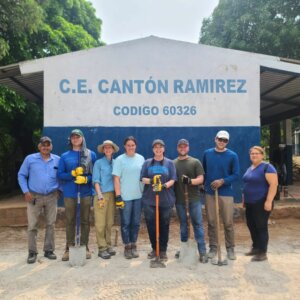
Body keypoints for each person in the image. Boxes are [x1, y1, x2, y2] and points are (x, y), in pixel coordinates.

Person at [18, 136, 60, 264]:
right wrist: (26, 191)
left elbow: (62, 175)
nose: (46, 147)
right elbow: (21, 175)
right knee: (32, 225)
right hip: (34, 196)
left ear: (51, 146)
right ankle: (32, 252)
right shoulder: (30, 159)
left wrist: (60, 189)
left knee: (51, 224)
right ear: (39, 146)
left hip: (52, 196)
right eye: (43, 145)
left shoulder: (57, 160)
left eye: (48, 145)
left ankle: (49, 250)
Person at [57, 129, 96, 261]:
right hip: (70, 193)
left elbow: (95, 175)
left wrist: (86, 179)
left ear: (82, 138)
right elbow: (60, 175)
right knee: (70, 220)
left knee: (85, 220)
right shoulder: (65, 156)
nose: (75, 139)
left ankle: (84, 246)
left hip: (85, 193)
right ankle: (69, 248)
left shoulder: (90, 154)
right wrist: (72, 174)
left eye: (77, 137)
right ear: (70, 140)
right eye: (73, 137)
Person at [203, 130, 240, 260]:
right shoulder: (207, 154)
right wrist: (205, 186)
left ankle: (230, 248)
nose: (222, 142)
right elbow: (204, 171)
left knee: (228, 222)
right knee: (212, 221)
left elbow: (236, 174)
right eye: (220, 139)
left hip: (226, 193)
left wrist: (223, 181)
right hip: (210, 193)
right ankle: (213, 247)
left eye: (225, 140)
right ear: (215, 138)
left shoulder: (232, 155)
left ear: (227, 142)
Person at [141, 139, 177, 261]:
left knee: (164, 225)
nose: (158, 149)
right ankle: (154, 248)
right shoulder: (147, 163)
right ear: (153, 149)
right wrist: (152, 181)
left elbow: (173, 179)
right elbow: (142, 179)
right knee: (151, 225)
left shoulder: (170, 163)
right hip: (150, 200)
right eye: (156, 147)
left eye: (160, 147)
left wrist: (164, 185)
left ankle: (162, 250)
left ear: (164, 149)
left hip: (165, 200)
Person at [173, 139, 208, 263]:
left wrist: (190, 181)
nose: (182, 148)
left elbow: (201, 179)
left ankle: (202, 251)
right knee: (183, 225)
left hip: (194, 200)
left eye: (185, 146)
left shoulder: (195, 162)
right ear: (177, 148)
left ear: (188, 148)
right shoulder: (173, 163)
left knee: (197, 225)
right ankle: (184, 249)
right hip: (180, 200)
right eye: (180, 146)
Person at [242, 146, 278, 261]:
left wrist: (268, 201)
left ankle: (262, 252)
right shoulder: (250, 168)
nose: (254, 155)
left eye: (257, 153)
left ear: (262, 155)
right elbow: (247, 184)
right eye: (252, 153)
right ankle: (256, 247)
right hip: (249, 203)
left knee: (261, 227)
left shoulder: (267, 167)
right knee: (251, 225)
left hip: (261, 202)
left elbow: (273, 185)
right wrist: (244, 199)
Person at [112, 136, 145, 259]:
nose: (131, 147)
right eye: (128, 145)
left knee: (136, 223)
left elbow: (144, 176)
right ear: (125, 146)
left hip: (138, 196)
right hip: (125, 197)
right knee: (125, 223)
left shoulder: (141, 158)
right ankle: (127, 246)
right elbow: (116, 179)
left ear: (135, 146)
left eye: (133, 145)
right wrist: (118, 196)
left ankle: (133, 245)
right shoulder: (120, 160)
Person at [92, 140, 119, 259]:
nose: (108, 149)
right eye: (105, 148)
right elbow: (96, 180)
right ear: (103, 150)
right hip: (101, 195)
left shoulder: (116, 163)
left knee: (109, 222)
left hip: (113, 195)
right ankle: (101, 248)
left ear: (113, 150)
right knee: (100, 223)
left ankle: (108, 245)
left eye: (110, 147)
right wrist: (100, 195)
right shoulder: (98, 163)